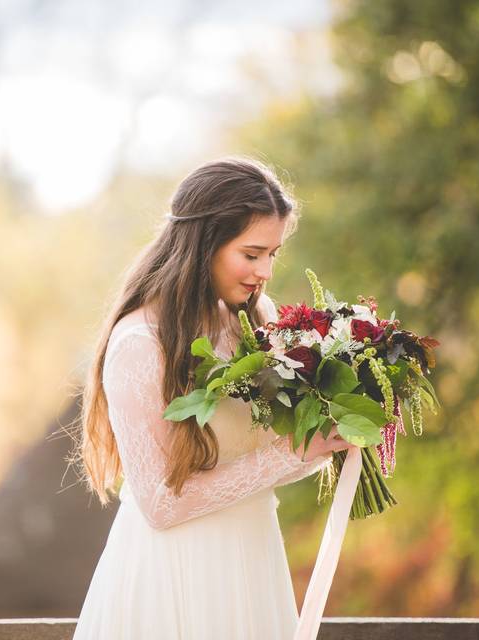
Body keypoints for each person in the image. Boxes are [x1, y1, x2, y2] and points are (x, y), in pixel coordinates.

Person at [70, 155, 359, 639]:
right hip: (176, 577)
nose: (264, 271)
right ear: (204, 244)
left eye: (273, 254)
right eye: (251, 254)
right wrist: (296, 453)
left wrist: (337, 426)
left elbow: (273, 451)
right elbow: (161, 504)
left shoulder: (252, 319)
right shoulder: (141, 343)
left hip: (251, 560)